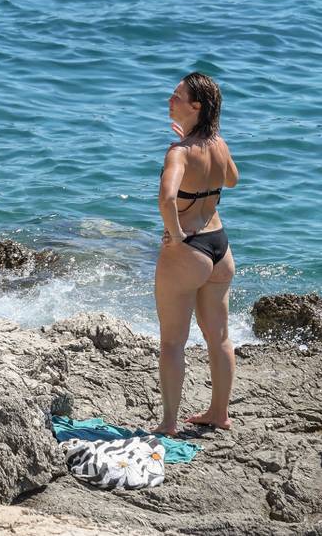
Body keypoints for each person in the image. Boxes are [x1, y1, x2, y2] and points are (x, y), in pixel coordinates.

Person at [153, 72, 239, 436]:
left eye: (177, 96)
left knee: (173, 341)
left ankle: (169, 424)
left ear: (196, 107)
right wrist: (196, 146)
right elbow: (232, 179)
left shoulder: (179, 153)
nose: (170, 100)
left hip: (188, 249)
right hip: (220, 246)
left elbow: (168, 199)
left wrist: (174, 235)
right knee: (218, 337)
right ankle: (219, 413)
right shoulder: (217, 143)